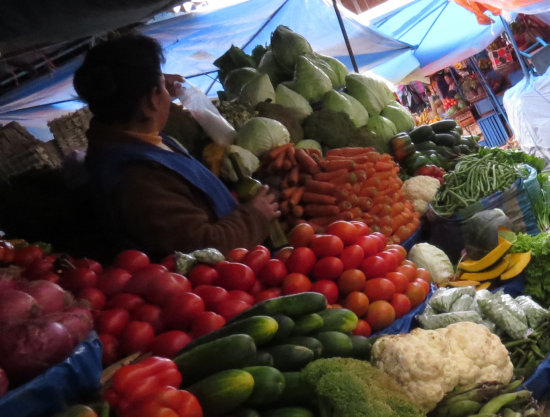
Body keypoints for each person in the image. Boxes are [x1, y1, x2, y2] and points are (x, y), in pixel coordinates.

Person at [73, 34, 280, 259]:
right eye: (161, 86)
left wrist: (156, 86)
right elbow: (202, 247)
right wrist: (255, 215)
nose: (168, 91)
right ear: (152, 100)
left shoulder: (129, 137)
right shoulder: (138, 180)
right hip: (219, 279)